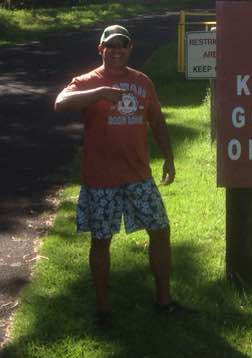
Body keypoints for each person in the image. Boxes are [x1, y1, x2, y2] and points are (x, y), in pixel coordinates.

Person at [54, 24, 189, 320]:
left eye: (122, 46)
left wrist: (168, 157)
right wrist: (99, 93)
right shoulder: (88, 81)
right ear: (101, 49)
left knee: (160, 231)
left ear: (130, 49)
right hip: (101, 179)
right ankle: (103, 309)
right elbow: (60, 103)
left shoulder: (143, 82)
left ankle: (164, 301)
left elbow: (157, 122)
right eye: (110, 46)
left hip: (139, 176)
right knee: (101, 241)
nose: (116, 51)